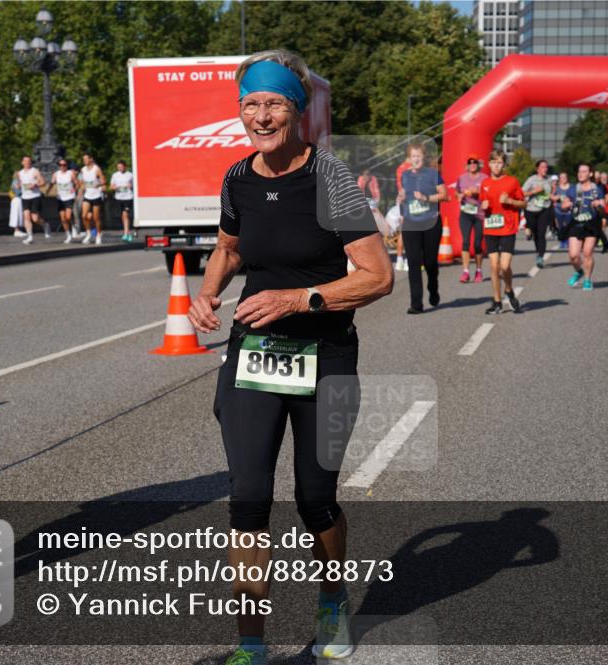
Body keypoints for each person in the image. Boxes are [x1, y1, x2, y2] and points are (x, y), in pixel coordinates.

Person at [186, 49, 392, 665]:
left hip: (324, 355)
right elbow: (227, 247)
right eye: (251, 103)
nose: (261, 114)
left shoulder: (330, 181)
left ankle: (332, 601)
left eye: (274, 102)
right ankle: (251, 642)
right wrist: (206, 293)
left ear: (297, 111)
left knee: (314, 497)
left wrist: (301, 298)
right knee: (247, 497)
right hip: (254, 355)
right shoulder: (237, 178)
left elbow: (377, 277)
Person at [399, 142, 447, 314]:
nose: (416, 159)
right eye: (413, 156)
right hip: (411, 223)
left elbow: (444, 195)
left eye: (419, 156)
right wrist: (401, 197)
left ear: (423, 157)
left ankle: (433, 288)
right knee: (413, 263)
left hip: (431, 223)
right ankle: (416, 304)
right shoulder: (404, 175)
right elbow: (403, 196)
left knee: (430, 262)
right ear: (409, 159)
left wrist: (427, 198)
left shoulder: (433, 174)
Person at [479, 150, 525, 314]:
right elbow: (482, 207)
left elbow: (523, 204)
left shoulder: (512, 182)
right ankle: (497, 301)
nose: (496, 165)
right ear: (489, 164)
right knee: (493, 266)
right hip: (490, 227)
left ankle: (509, 289)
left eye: (499, 162)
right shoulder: (484, 183)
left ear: (504, 164)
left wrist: (510, 201)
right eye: (493, 162)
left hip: (507, 228)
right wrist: (482, 208)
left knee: (505, 267)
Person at [560, 163, 605, 291]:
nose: (580, 174)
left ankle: (587, 280)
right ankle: (579, 271)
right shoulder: (573, 189)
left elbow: (603, 209)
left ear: (590, 174)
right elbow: (563, 205)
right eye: (579, 171)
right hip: (576, 223)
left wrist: (598, 205)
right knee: (573, 256)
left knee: (587, 252)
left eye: (584, 171)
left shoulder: (597, 190)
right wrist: (567, 204)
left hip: (592, 224)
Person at [456, 154, 486, 283]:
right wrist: (460, 195)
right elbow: (457, 191)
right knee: (466, 242)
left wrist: (477, 192)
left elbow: (489, 193)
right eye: (470, 162)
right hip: (466, 213)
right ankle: (466, 271)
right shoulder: (462, 178)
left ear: (478, 164)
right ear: (467, 165)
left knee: (477, 244)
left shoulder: (485, 178)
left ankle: (478, 271)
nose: (472, 164)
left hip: (479, 214)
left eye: (475, 162)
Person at [522, 159, 554, 268]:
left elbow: (550, 195)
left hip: (544, 209)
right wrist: (533, 191)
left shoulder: (548, 180)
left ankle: (540, 256)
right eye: (542, 167)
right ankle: (529, 230)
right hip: (531, 209)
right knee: (535, 232)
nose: (545, 169)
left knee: (541, 234)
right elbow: (521, 193)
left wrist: (555, 197)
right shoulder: (531, 180)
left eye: (546, 167)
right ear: (537, 169)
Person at [17, 155, 48, 244]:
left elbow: (43, 182)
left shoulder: (35, 171)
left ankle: (45, 225)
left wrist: (35, 185)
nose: (28, 163)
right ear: (22, 162)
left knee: (35, 218)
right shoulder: (20, 173)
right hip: (25, 197)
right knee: (26, 216)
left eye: (29, 161)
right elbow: (20, 184)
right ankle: (30, 236)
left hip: (35, 196)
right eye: (26, 161)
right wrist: (19, 186)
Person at [49, 158, 79, 243]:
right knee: (63, 218)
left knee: (68, 216)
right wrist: (48, 190)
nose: (62, 167)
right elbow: (52, 183)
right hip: (60, 198)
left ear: (67, 166)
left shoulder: (71, 173)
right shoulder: (56, 174)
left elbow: (77, 184)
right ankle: (68, 234)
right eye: (60, 165)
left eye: (64, 165)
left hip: (69, 197)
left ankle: (73, 225)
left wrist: (74, 190)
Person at [79, 152, 106, 244]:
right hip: (87, 195)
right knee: (83, 216)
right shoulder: (83, 170)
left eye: (86, 159)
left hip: (96, 196)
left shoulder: (96, 169)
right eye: (84, 159)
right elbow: (83, 183)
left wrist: (98, 184)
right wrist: (80, 193)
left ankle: (98, 234)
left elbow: (103, 180)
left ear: (91, 159)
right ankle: (89, 234)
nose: (84, 161)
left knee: (95, 218)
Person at [392, 153, 412, 271]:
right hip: (408, 202)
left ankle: (400, 259)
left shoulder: (400, 168)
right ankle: (407, 260)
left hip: (402, 200)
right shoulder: (409, 168)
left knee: (403, 231)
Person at [110, 160, 135, 242]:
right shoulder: (115, 175)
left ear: (125, 166)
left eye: (121, 167)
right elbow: (111, 186)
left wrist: (131, 186)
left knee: (125, 214)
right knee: (122, 216)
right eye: (118, 167)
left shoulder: (130, 175)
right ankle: (127, 232)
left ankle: (126, 233)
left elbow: (135, 185)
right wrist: (115, 187)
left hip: (128, 197)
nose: (120, 168)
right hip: (118, 198)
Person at [551, 171, 572, 250]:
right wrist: (555, 198)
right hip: (558, 210)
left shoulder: (571, 187)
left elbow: (576, 196)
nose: (564, 178)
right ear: (559, 179)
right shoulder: (557, 188)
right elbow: (551, 196)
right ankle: (562, 241)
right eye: (562, 177)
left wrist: (571, 202)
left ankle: (568, 241)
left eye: (565, 177)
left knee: (568, 225)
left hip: (569, 210)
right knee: (560, 226)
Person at [596, 171, 608, 253]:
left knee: (603, 223)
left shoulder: (605, 187)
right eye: (602, 178)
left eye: (605, 178)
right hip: (593, 209)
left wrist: (606, 203)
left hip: (603, 208)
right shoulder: (591, 185)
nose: (603, 179)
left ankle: (600, 239)